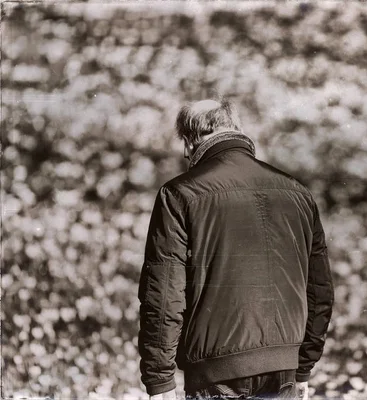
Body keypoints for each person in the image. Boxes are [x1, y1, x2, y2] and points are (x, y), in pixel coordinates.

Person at [137, 97, 334, 399]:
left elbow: (164, 296)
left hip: (214, 372)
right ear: (236, 129)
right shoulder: (297, 192)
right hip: (284, 368)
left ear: (190, 143)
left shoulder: (179, 194)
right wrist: (304, 365)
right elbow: (319, 291)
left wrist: (159, 379)